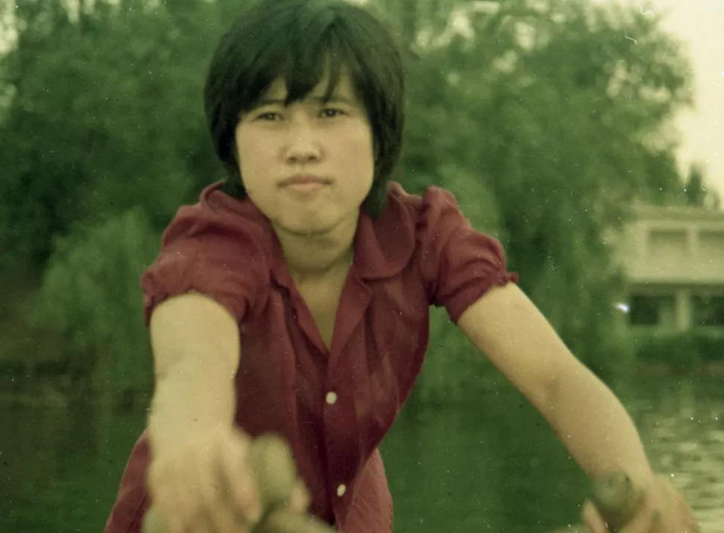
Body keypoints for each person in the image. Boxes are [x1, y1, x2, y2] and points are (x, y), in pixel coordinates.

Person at [105, 1, 699, 532]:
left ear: (379, 134)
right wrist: (195, 445)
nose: (301, 146)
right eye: (269, 116)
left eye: (331, 112)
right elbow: (192, 362)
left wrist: (639, 493)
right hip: (199, 517)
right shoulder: (215, 239)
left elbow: (554, 377)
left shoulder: (425, 236)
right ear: (232, 140)